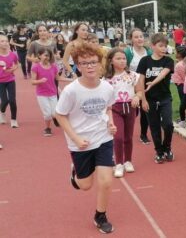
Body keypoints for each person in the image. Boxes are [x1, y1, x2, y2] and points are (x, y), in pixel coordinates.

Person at [55, 43, 117, 234]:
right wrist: (75, 137)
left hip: (103, 138)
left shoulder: (107, 87)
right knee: (85, 186)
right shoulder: (71, 91)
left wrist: (110, 124)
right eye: (84, 63)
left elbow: (108, 107)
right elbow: (60, 115)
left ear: (100, 63)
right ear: (78, 66)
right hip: (80, 142)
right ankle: (76, 174)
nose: (89, 66)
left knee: (106, 181)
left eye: (93, 62)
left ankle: (100, 215)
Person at [136, 33, 175, 164]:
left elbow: (164, 74)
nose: (164, 48)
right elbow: (140, 80)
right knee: (154, 126)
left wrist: (153, 82)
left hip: (165, 98)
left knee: (168, 124)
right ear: (153, 46)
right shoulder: (145, 61)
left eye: (165, 46)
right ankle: (159, 151)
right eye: (160, 46)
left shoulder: (168, 60)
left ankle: (167, 147)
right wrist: (143, 99)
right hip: (150, 99)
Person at [105, 48, 142, 178]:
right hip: (114, 108)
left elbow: (139, 91)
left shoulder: (133, 75)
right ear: (111, 61)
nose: (122, 61)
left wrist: (137, 97)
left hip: (130, 108)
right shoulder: (106, 78)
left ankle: (128, 161)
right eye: (118, 58)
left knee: (128, 137)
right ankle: (119, 163)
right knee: (118, 137)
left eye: (124, 58)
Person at [31, 47, 71, 136]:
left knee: (55, 113)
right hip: (41, 94)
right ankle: (47, 128)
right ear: (39, 56)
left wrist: (71, 80)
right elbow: (32, 81)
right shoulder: (36, 67)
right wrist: (40, 81)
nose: (47, 57)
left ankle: (62, 124)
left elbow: (58, 78)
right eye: (45, 55)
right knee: (47, 114)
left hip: (53, 93)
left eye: (48, 56)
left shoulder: (53, 66)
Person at [124, 28, 152, 144]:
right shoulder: (128, 52)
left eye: (141, 36)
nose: (140, 39)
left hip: (146, 84)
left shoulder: (148, 51)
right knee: (133, 111)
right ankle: (124, 130)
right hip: (131, 84)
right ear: (131, 39)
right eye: (136, 37)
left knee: (146, 109)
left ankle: (143, 134)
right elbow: (124, 67)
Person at [0, 35, 20, 128]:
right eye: (2, 41)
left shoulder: (12, 54)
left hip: (10, 80)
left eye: (6, 41)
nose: (5, 43)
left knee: (12, 100)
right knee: (4, 101)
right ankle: (2, 112)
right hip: (0, 82)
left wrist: (13, 69)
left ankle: (14, 120)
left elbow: (17, 64)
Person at [171, 46, 186, 123]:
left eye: (176, 52)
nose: (175, 53)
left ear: (180, 54)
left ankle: (184, 117)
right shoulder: (181, 62)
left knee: (183, 101)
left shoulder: (180, 65)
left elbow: (184, 77)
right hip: (180, 84)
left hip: (182, 84)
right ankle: (185, 116)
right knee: (184, 101)